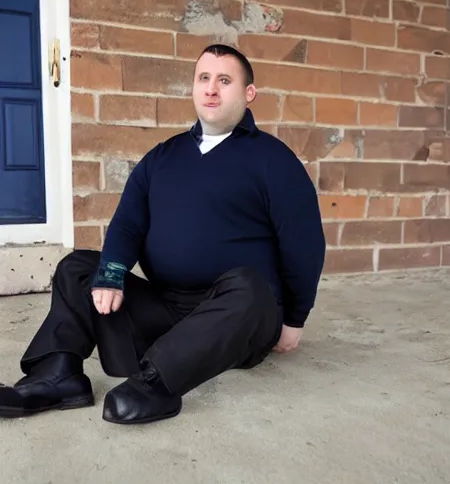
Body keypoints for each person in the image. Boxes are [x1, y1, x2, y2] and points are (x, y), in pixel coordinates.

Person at [0, 44, 326, 425]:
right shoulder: (163, 157)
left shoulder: (274, 160)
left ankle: (156, 382)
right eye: (204, 78)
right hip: (168, 309)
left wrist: (295, 321)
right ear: (193, 88)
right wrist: (112, 273)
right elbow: (128, 223)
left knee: (251, 288)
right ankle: (57, 375)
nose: (211, 89)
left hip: (238, 317)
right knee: (77, 268)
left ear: (248, 93)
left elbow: (304, 243)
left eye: (224, 80)